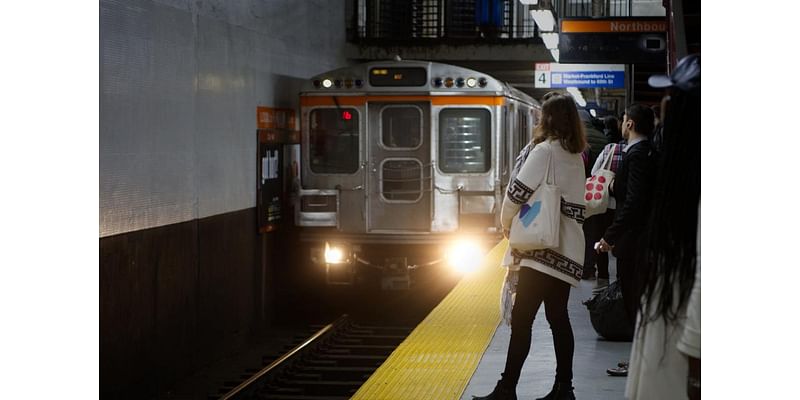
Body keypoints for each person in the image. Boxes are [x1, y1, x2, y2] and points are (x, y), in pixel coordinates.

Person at [476, 94, 587, 400]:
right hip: (567, 250)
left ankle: (506, 388)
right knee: (558, 318)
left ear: (548, 119)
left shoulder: (545, 151)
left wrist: (506, 222)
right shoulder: (576, 155)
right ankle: (564, 388)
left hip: (540, 251)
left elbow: (516, 193)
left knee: (522, 320)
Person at [625, 53, 701, 400]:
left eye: (671, 100)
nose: (661, 109)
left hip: (683, 369)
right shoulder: (683, 182)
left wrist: (697, 372)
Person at [596, 103, 657, 376]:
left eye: (624, 119)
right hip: (637, 241)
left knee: (636, 302)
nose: (622, 123)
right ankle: (638, 361)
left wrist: (610, 236)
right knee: (636, 301)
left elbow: (634, 202)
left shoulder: (638, 154)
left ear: (629, 124)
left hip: (634, 242)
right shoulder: (644, 152)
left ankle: (639, 364)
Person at [583, 138, 625, 293]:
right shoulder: (634, 152)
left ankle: (602, 278)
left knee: (600, 239)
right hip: (621, 207)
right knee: (619, 241)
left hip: (603, 204)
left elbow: (594, 172)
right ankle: (620, 282)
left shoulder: (610, 149)